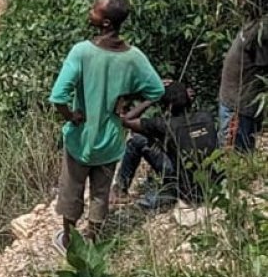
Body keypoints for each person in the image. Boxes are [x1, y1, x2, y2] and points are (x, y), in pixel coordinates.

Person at [50, 0, 165, 252]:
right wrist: (129, 105)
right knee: (101, 193)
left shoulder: (82, 51)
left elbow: (58, 96)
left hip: (81, 139)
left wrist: (71, 116)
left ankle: (69, 241)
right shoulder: (133, 57)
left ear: (105, 23)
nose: (90, 11)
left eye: (95, 10)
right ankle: (93, 241)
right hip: (111, 140)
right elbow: (156, 90)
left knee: (72, 190)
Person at [114, 82, 219, 208]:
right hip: (211, 184)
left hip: (182, 186)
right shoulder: (206, 117)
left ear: (168, 106)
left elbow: (126, 120)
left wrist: (152, 98)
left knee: (138, 140)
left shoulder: (166, 125)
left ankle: (120, 190)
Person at [218, 16, 268, 152]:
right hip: (239, 104)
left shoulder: (257, 24)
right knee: (236, 154)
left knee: (242, 150)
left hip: (240, 99)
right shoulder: (261, 31)